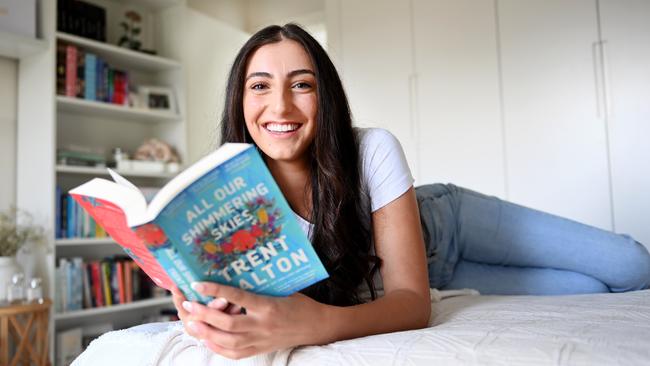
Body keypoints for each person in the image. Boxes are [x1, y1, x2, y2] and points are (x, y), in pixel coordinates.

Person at [172, 23, 650, 360]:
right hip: (436, 277)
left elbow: (411, 302)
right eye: (259, 86)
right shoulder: (227, 200)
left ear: (326, 96)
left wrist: (316, 323)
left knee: (633, 265)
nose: (280, 105)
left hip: (446, 228)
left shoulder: (372, 149)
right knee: (588, 291)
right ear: (240, 99)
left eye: (302, 85)